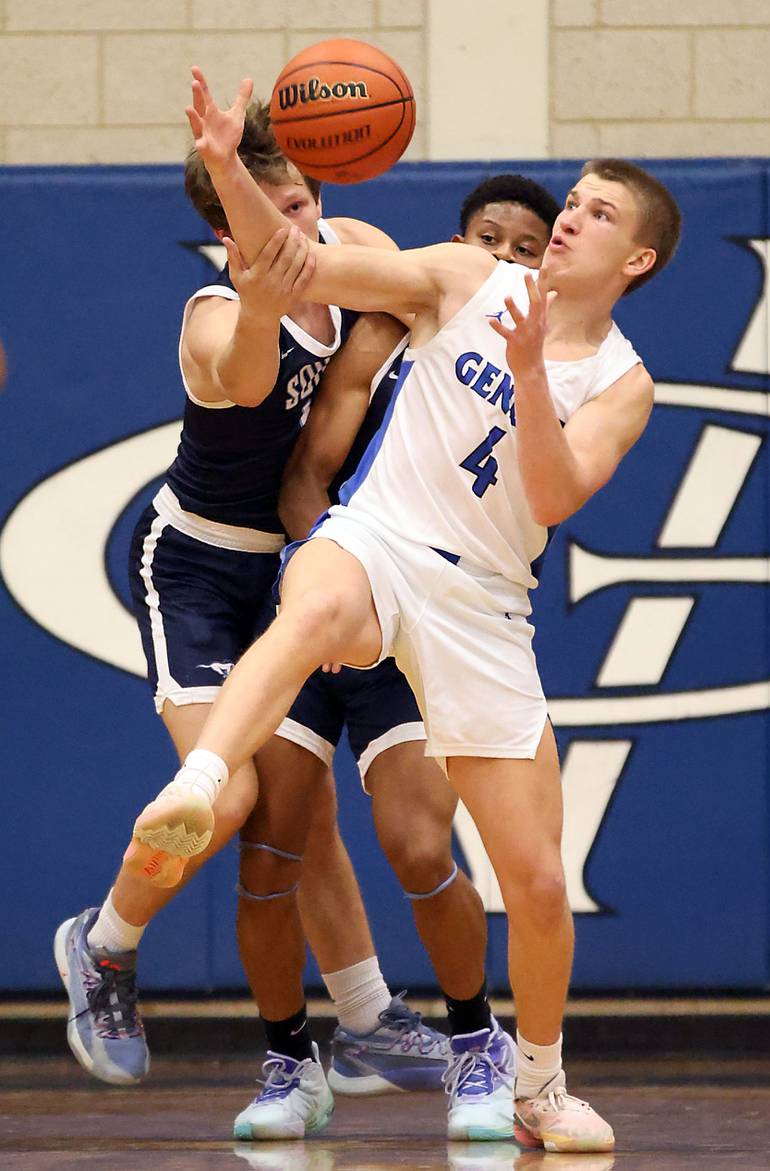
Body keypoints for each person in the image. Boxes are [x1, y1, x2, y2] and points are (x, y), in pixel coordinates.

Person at [128, 69, 681, 1154]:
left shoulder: (622, 379)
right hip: (378, 538)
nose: (569, 217)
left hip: (481, 601)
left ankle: (535, 1082)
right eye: (569, 201)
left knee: (529, 876)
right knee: (312, 597)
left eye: (595, 214)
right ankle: (199, 778)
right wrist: (236, 174)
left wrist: (527, 371)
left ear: (635, 262)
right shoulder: (465, 273)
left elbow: (556, 492)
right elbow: (297, 263)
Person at [54, 98, 446, 1103]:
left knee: (299, 802)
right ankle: (105, 945)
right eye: (273, 210)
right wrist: (268, 294)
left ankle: (361, 1019)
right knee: (225, 795)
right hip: (193, 570)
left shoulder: (349, 243)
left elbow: (418, 292)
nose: (300, 226)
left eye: (306, 201)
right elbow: (249, 372)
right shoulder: (219, 317)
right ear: (233, 226)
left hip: (295, 567)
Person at [230, 176, 561, 1142]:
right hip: (336, 587)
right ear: (453, 246)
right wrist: (332, 581)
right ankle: (292, 1060)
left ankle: (474, 1043)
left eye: (526, 245)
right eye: (487, 236)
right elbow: (306, 478)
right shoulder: (390, 328)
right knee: (270, 842)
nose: (503, 254)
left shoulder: (543, 370)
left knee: (420, 844)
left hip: (431, 616)